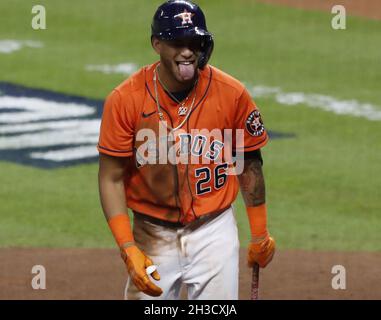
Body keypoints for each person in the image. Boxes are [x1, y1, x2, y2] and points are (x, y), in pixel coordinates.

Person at [97, 0, 275, 300]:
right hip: (152, 233)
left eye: (194, 41)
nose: (188, 50)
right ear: (157, 44)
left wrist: (259, 232)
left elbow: (248, 163)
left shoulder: (230, 94)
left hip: (213, 231)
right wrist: (128, 247)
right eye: (177, 42)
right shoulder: (126, 99)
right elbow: (110, 177)